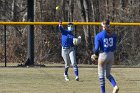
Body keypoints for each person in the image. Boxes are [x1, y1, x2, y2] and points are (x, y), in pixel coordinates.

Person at [91, 19, 119, 93]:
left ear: (103, 26)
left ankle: (103, 92)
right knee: (108, 74)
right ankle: (115, 86)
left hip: (103, 55)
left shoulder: (99, 35)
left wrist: (95, 55)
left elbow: (96, 49)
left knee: (101, 75)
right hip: (111, 55)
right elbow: (115, 47)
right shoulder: (114, 35)